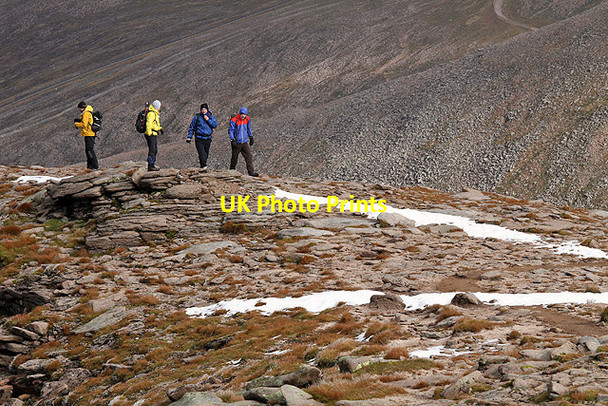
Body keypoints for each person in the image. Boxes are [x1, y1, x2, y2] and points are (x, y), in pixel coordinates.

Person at [186, 103, 217, 170]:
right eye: (202, 109)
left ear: (207, 109)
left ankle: (202, 167)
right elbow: (192, 127)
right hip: (199, 139)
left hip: (208, 139)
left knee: (205, 154)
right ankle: (204, 167)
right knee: (202, 154)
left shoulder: (210, 116)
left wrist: (208, 120)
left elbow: (215, 125)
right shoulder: (197, 117)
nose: (203, 110)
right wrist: (189, 137)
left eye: (205, 109)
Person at [228, 107, 258, 177]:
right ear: (240, 113)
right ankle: (231, 171)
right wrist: (232, 140)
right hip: (237, 142)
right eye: (242, 114)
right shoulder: (234, 120)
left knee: (249, 157)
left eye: (244, 114)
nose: (243, 115)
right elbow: (231, 131)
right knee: (234, 158)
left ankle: (251, 172)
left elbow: (248, 128)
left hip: (244, 142)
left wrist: (251, 137)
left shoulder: (247, 119)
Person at [74, 101, 99, 170]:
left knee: (89, 150)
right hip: (89, 133)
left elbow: (84, 125)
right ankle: (90, 166)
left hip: (89, 133)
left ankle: (95, 166)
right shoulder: (88, 112)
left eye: (79, 108)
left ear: (81, 108)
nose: (79, 110)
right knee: (88, 150)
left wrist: (76, 124)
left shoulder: (86, 113)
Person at [145, 100, 163, 171]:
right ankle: (150, 166)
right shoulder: (152, 113)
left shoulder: (155, 113)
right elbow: (149, 124)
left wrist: (159, 129)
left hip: (153, 133)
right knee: (152, 150)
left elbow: (154, 124)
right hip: (151, 134)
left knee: (154, 150)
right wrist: (149, 133)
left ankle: (152, 164)